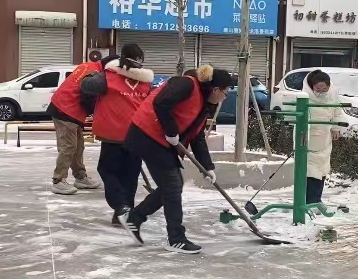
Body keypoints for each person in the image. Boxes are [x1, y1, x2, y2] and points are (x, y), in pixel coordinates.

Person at [119, 65, 232, 254]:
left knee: (173, 185)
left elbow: (197, 137)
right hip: (146, 135)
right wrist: (171, 132)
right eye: (225, 92)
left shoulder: (204, 105)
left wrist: (207, 166)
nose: (224, 97)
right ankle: (176, 238)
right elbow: (161, 103)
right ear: (215, 89)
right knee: (172, 185)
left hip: (159, 140)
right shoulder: (186, 84)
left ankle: (134, 218)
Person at [80, 44, 153, 225]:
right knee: (130, 175)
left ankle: (121, 207)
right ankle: (123, 215)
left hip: (113, 135)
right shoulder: (146, 82)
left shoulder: (107, 78)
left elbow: (85, 86)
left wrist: (96, 72)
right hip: (137, 136)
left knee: (108, 171)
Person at [47, 56, 117, 195]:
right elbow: (88, 98)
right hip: (66, 109)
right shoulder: (96, 75)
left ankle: (80, 177)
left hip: (67, 108)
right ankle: (58, 180)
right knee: (68, 146)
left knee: (78, 146)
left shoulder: (89, 65)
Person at [302, 70, 341, 205]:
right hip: (309, 140)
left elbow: (337, 111)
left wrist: (336, 128)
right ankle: (310, 201)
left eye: (324, 88)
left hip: (325, 139)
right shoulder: (304, 96)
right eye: (318, 89)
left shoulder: (332, 96)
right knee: (311, 172)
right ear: (312, 86)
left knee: (322, 169)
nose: (321, 91)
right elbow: (301, 119)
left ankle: (317, 199)